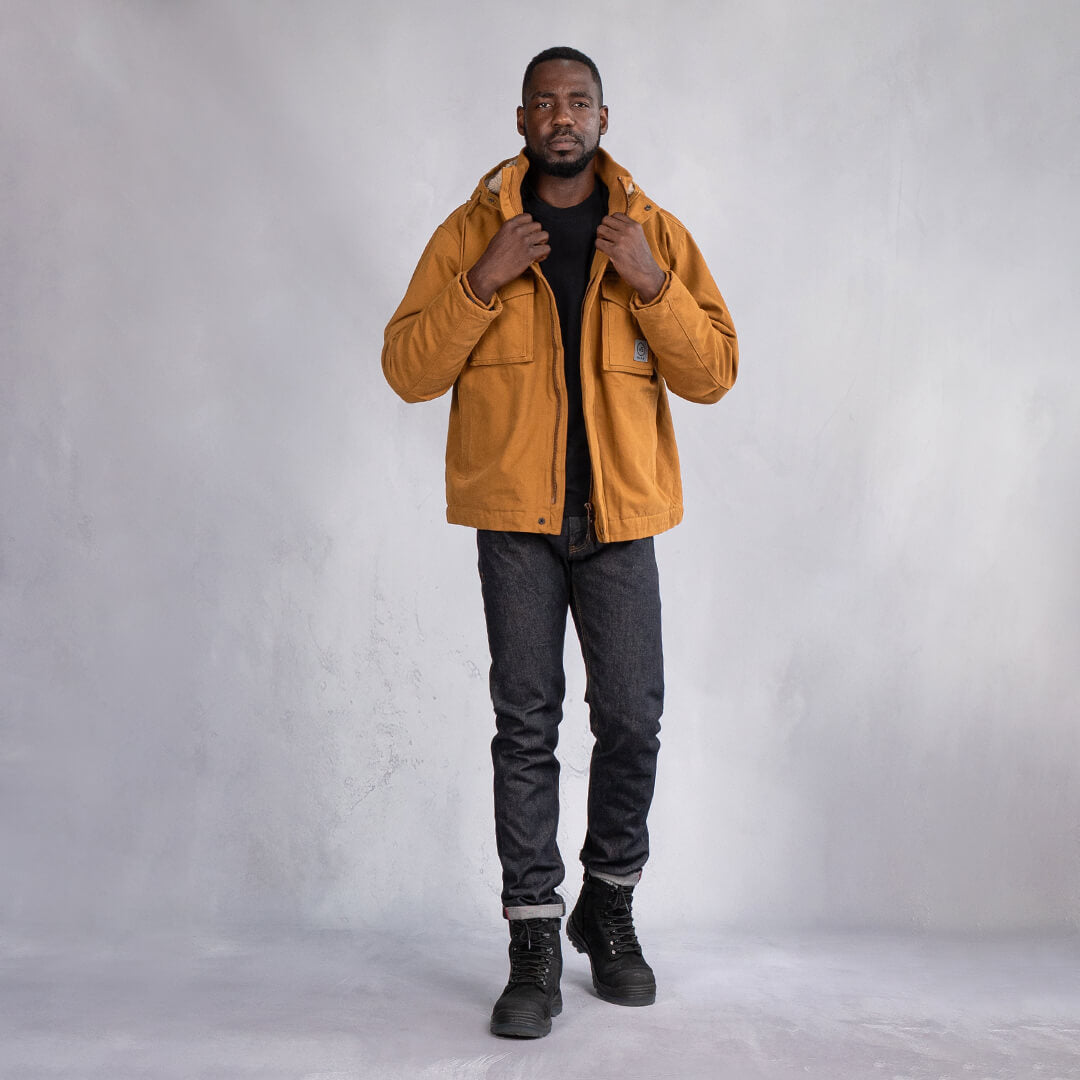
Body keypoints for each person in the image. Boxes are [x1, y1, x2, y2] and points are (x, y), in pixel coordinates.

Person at [382, 46, 738, 1038]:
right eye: (545, 102)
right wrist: (481, 283)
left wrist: (654, 284)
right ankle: (533, 937)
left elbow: (714, 373)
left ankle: (608, 904)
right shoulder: (473, 232)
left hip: (621, 517)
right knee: (526, 725)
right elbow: (408, 369)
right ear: (521, 119)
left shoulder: (652, 232)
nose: (563, 116)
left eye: (579, 101)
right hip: (516, 521)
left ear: (604, 118)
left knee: (632, 718)